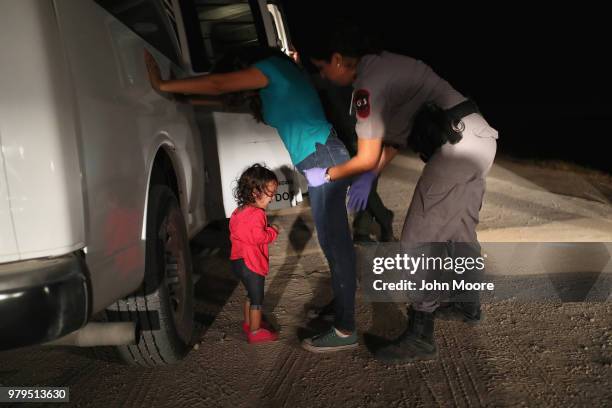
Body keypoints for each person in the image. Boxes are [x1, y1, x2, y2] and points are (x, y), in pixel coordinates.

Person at [304, 25, 498, 362]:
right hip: (480, 140)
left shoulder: (368, 85)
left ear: (337, 59)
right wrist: (371, 174)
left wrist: (328, 173)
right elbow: (394, 139)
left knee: (416, 240)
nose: (323, 75)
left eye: (321, 68)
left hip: (456, 149)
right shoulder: (384, 64)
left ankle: (420, 333)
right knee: (460, 230)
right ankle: (469, 305)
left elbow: (366, 155)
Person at [145, 47, 358, 352]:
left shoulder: (272, 67)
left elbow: (220, 85)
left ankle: (345, 327)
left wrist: (163, 85)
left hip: (323, 157)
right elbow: (222, 97)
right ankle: (343, 308)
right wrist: (181, 96)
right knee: (334, 245)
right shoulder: (277, 82)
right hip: (319, 158)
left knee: (336, 247)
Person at [229, 164, 280, 344]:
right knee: (257, 298)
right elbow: (258, 237)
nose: (272, 199)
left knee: (250, 294)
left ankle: (248, 323)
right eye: (270, 194)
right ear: (255, 192)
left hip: (237, 261)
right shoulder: (257, 213)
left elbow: (238, 232)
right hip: (252, 263)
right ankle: (255, 331)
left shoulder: (238, 211)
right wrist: (272, 231)